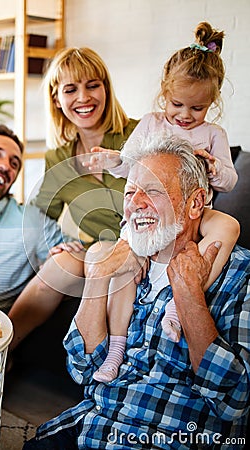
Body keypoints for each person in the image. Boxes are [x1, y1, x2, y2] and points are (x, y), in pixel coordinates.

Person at [23, 134, 250, 450]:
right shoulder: (125, 261)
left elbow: (234, 400)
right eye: (130, 192)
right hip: (94, 425)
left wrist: (188, 295)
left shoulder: (240, 274)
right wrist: (99, 275)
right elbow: (83, 369)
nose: (136, 203)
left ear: (196, 202)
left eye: (153, 191)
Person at [84, 21, 240, 382]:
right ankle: (116, 350)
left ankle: (179, 302)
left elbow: (230, 182)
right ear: (163, 95)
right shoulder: (152, 123)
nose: (185, 115)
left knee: (228, 225)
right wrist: (112, 161)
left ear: (212, 103)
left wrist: (214, 167)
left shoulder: (214, 134)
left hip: (193, 215)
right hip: (148, 217)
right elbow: (129, 162)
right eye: (177, 104)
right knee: (124, 267)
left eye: (197, 108)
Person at [8, 46, 139, 352]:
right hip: (96, 252)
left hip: (143, 247)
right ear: (56, 98)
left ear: (106, 88)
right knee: (59, 262)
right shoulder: (59, 157)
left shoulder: (139, 134)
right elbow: (36, 216)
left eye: (93, 85)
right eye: (71, 89)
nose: (84, 98)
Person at [0, 124, 75, 314]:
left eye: (14, 163)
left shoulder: (31, 222)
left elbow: (77, 256)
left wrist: (59, 257)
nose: (6, 166)